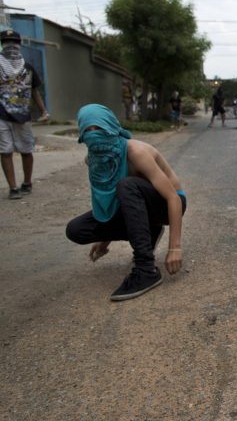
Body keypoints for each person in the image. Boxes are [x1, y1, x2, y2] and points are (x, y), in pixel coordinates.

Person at [65, 104, 186, 301]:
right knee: (77, 229)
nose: (94, 134)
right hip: (137, 205)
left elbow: (173, 198)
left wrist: (175, 248)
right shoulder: (94, 161)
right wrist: (104, 239)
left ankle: (146, 270)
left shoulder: (135, 152)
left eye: (99, 129)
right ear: (81, 134)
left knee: (127, 185)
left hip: (167, 204)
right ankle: (150, 232)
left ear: (112, 127)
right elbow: (113, 199)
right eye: (87, 130)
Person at [0, 29, 49, 200]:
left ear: (19, 45)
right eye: (7, 42)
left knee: (26, 150)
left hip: (23, 115)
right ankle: (13, 188)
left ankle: (27, 183)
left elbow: (34, 91)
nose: (10, 46)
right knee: (5, 151)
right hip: (2, 115)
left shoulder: (27, 68)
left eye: (14, 42)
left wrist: (43, 110)